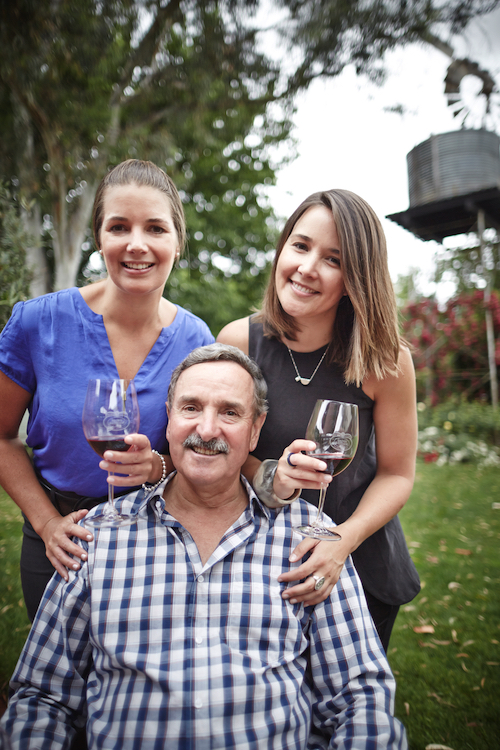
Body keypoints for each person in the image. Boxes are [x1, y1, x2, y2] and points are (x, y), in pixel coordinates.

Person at [1, 343, 407, 750]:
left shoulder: (311, 539)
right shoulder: (99, 537)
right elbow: (42, 697)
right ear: (169, 418)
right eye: (191, 407)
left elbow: (361, 698)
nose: (207, 429)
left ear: (255, 430)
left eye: (230, 412)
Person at [0, 159, 214, 622]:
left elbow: (202, 450)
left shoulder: (198, 340)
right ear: (100, 238)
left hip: (155, 540)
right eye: (120, 227)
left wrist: (157, 464)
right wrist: (46, 523)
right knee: (56, 686)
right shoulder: (37, 322)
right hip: (60, 543)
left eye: (155, 228)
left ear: (177, 242)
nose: (137, 244)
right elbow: (1, 437)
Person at [217, 189, 420, 650]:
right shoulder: (238, 342)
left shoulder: (386, 361)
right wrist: (272, 475)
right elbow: (225, 453)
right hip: (262, 561)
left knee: (347, 716)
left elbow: (396, 474)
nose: (308, 268)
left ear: (355, 279)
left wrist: (341, 541)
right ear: (283, 249)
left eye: (333, 259)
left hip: (360, 561)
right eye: (301, 246)